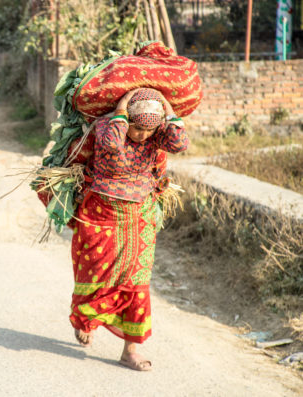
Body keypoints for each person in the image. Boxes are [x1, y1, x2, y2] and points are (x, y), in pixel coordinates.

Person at [69, 88, 189, 371]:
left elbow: (180, 143)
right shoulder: (107, 128)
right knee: (97, 272)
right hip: (101, 213)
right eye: (136, 128)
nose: (141, 136)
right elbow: (111, 143)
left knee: (137, 283)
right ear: (125, 119)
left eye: (148, 130)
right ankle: (88, 319)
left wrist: (167, 109)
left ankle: (131, 350)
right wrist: (122, 109)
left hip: (140, 216)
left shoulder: (156, 134)